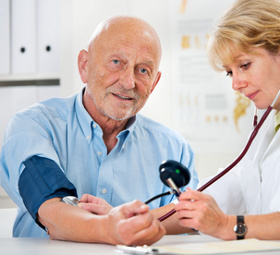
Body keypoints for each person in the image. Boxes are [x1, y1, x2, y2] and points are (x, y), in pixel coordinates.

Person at [0, 16, 198, 244]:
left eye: (143, 70)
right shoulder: (33, 127)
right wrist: (112, 228)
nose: (128, 82)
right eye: (116, 62)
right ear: (85, 65)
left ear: (154, 83)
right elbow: (51, 210)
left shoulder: (174, 148)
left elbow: (190, 218)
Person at [175, 0, 280, 240]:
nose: (236, 84)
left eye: (245, 65)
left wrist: (226, 225)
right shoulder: (268, 120)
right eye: (230, 72)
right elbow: (234, 184)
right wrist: (143, 219)